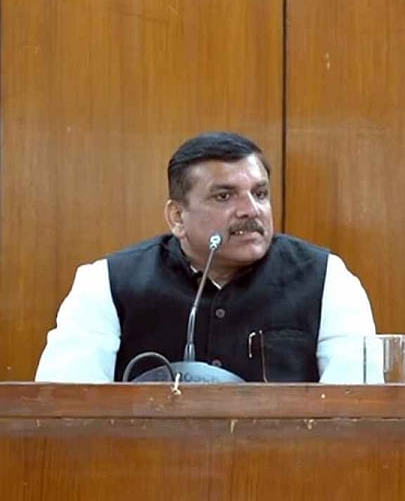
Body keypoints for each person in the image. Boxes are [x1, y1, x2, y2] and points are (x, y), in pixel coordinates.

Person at [35, 131, 376, 383]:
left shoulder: (326, 279)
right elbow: (64, 404)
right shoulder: (107, 283)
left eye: (260, 194)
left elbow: (360, 408)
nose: (250, 210)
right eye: (224, 196)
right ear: (177, 218)